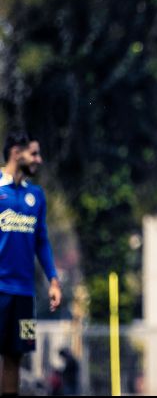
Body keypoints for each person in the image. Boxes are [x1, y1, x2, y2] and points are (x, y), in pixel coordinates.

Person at [0, 132, 61, 397]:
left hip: (25, 294)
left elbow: (42, 241)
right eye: (34, 153)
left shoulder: (36, 196)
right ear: (16, 152)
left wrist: (54, 280)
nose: (39, 159)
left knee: (16, 356)